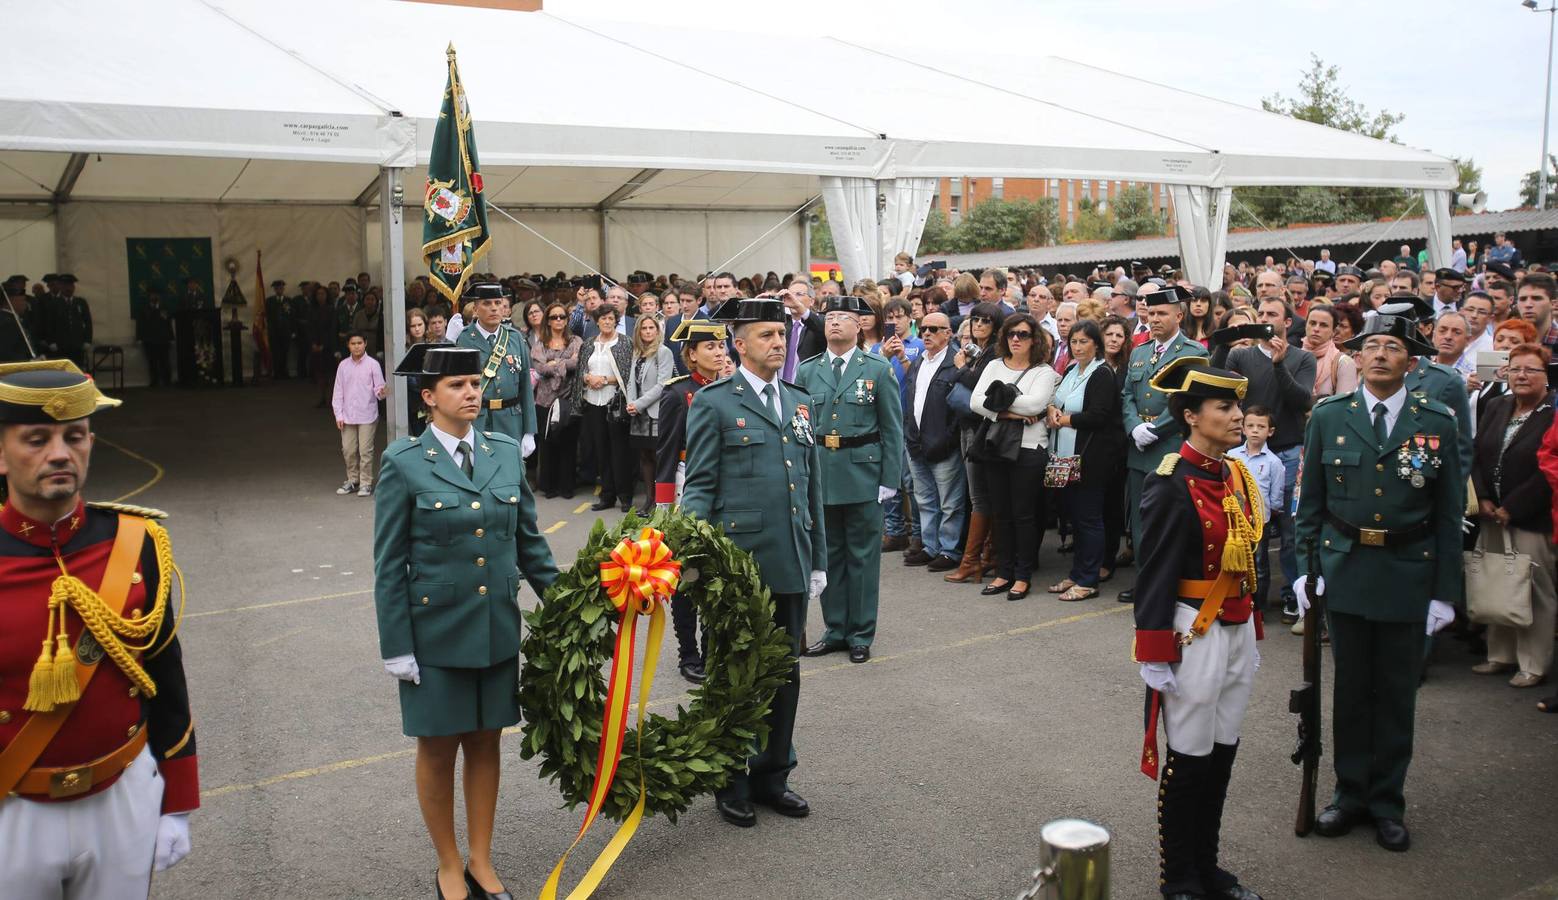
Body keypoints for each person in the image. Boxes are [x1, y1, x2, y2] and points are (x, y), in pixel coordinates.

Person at [0, 360, 199, 897]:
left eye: (75, 436)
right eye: (36, 439)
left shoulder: (136, 542)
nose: (60, 453)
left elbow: (164, 672)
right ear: (0, 454)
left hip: (121, 796)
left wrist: (176, 800)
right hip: (10, 809)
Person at [375, 344, 559, 900]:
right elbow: (388, 564)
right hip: (434, 634)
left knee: (485, 743)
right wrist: (396, 646)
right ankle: (449, 864)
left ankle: (482, 859)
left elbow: (530, 546)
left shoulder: (504, 453)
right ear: (429, 398)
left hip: (495, 627)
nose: (473, 393)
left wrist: (573, 607)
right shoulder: (404, 463)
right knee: (437, 747)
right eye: (458, 386)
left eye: (476, 383)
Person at [1295, 314, 1463, 853]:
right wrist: (1304, 570)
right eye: (1373, 347)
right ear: (1359, 358)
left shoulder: (1436, 418)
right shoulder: (1329, 416)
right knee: (1349, 691)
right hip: (1345, 568)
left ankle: (1387, 801)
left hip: (1408, 573)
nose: (1382, 355)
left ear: (1410, 362)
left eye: (1393, 347)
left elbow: (1447, 512)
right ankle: (1349, 794)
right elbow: (1311, 505)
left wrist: (1445, 591)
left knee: (1395, 695)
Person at [679, 297, 826, 829]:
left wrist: (818, 560)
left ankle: (773, 775)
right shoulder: (715, 402)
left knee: (784, 674)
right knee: (733, 673)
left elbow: (810, 487)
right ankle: (731, 779)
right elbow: (699, 486)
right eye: (766, 335)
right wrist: (695, 557)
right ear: (738, 345)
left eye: (781, 334)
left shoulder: (799, 400)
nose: (778, 343)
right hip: (736, 564)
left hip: (790, 556)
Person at [1130, 356, 1264, 900]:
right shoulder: (1170, 482)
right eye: (1225, 407)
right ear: (1190, 416)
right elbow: (1154, 572)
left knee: (1222, 753)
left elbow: (1251, 558)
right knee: (1189, 758)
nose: (1238, 416)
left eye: (1237, 406)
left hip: (1234, 626)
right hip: (1193, 630)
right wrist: (1155, 650)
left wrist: (1253, 622)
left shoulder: (1236, 474)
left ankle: (1209, 868)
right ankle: (1179, 877)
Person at [798, 296, 904, 664]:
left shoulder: (876, 368)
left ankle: (860, 633)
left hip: (863, 474)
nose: (835, 323)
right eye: (830, 317)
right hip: (822, 475)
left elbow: (893, 428)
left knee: (862, 558)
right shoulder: (808, 371)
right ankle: (835, 629)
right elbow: (799, 431)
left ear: (860, 326)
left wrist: (890, 478)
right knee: (829, 557)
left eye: (844, 317)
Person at [1213, 297, 1316, 620]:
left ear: (1287, 322)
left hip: (1287, 452)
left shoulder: (1302, 357)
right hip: (1243, 454)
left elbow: (1301, 400)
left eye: (1273, 315)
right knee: (1240, 527)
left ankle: (1289, 595)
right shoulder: (1240, 355)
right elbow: (1217, 380)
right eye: (1261, 314)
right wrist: (1223, 343)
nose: (1265, 319)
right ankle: (1246, 593)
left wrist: (1278, 363)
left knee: (1288, 531)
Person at [1118, 286, 1208, 605]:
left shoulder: (1193, 352)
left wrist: (1155, 428)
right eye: (1151, 313)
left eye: (1161, 314)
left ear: (1179, 316)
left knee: (1170, 521)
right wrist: (1133, 427)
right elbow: (1127, 394)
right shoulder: (1141, 351)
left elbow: (1187, 400)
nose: (1154, 319)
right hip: (1139, 449)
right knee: (1141, 523)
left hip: (1169, 447)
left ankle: (1172, 584)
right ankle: (1146, 581)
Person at [654, 320, 730, 683]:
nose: (718, 353)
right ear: (691, 355)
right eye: (710, 348)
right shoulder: (677, 393)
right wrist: (664, 508)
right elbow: (666, 453)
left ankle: (714, 645)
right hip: (688, 484)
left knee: (718, 570)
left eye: (721, 347)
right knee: (687, 573)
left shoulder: (732, 387)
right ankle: (689, 651)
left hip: (726, 486)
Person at [1475, 345, 1555, 688]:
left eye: (1531, 370)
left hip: (1531, 518)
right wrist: (1482, 498)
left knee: (1535, 591)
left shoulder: (1552, 412)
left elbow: (1548, 471)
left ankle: (1533, 663)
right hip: (1491, 513)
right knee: (1497, 582)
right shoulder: (1497, 405)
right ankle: (1500, 654)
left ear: (1546, 376)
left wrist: (1515, 507)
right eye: (1515, 368)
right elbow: (1477, 453)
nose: (1522, 375)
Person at [970, 313, 1059, 602]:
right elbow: (975, 402)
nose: (1016, 339)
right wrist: (1010, 412)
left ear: (1034, 339)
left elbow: (1037, 403)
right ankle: (1003, 572)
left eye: (1023, 334)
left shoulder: (1043, 371)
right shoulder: (995, 365)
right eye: (1011, 334)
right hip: (996, 449)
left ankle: (1022, 576)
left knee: (1023, 515)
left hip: (1029, 451)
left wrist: (995, 405)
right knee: (1001, 514)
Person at [1045, 318, 1121, 601]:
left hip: (1090, 458)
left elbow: (1099, 416)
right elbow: (1058, 398)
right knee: (1075, 517)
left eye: (1084, 342)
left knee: (1089, 518)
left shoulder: (1102, 374)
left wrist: (1063, 419)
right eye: (1073, 342)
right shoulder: (1070, 369)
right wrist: (1053, 409)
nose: (1077, 347)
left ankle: (1089, 579)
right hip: (1064, 456)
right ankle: (1077, 573)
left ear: (1096, 344)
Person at [944, 302, 1008, 581]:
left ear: (995, 327)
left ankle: (975, 561)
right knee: (979, 495)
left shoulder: (994, 352)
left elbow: (976, 383)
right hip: (969, 426)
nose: (979, 325)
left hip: (981, 429)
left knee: (980, 496)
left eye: (986, 321)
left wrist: (959, 368)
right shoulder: (980, 351)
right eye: (975, 320)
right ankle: (984, 557)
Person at [903, 312, 967, 573]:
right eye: (923, 329)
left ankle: (949, 550)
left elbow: (959, 409)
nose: (926, 333)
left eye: (933, 329)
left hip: (943, 445)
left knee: (950, 503)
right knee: (925, 500)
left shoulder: (955, 362)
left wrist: (948, 440)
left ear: (948, 333)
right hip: (916, 443)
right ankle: (930, 547)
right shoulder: (920, 360)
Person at [455, 282, 538, 464]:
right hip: (477, 420)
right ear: (476, 309)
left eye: (497, 303)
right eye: (486, 303)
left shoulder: (515, 338)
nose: (493, 308)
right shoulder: (464, 339)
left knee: (510, 475)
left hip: (511, 420)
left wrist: (530, 430)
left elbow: (525, 385)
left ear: (504, 308)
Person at [573, 305, 634, 513]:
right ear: (596, 321)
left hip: (614, 403)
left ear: (615, 321)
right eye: (603, 318)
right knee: (601, 451)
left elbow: (627, 375)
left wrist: (605, 380)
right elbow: (581, 371)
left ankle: (625, 496)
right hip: (593, 403)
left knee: (620, 452)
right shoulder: (589, 344)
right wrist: (588, 378)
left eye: (610, 318)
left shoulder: (624, 342)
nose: (607, 322)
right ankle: (607, 495)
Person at [1227, 406, 1284, 610]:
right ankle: (1235, 603)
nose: (1255, 430)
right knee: (1234, 562)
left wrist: (1267, 514)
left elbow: (1276, 498)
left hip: (1260, 523)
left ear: (1270, 431)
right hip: (1234, 521)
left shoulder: (1274, 462)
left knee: (1259, 565)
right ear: (1242, 428)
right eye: (1250, 425)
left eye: (1261, 426)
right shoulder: (1231, 456)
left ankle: (1257, 609)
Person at [625, 315, 675, 516]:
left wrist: (638, 404)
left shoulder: (664, 352)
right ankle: (649, 499)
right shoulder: (637, 352)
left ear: (657, 330)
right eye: (643, 328)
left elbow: (663, 384)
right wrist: (631, 403)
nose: (647, 331)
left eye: (651, 328)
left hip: (655, 412)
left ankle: (660, 502)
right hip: (638, 413)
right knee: (644, 457)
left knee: (657, 456)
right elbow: (630, 380)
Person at [532, 302, 582, 500]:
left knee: (568, 443)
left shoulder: (576, 340)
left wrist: (554, 363)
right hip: (544, 400)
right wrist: (565, 364)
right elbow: (540, 369)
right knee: (547, 443)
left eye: (562, 316)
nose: (558, 320)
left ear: (567, 319)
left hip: (568, 398)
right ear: (548, 321)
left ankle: (567, 486)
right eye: (554, 317)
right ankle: (549, 485)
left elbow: (578, 363)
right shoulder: (540, 343)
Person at [331, 332, 386, 497]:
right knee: (348, 450)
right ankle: (352, 480)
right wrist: (338, 414)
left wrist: (384, 392)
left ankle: (366, 482)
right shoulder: (343, 366)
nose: (356, 346)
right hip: (347, 415)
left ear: (365, 343)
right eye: (353, 343)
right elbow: (338, 391)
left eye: (359, 343)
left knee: (365, 451)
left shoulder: (373, 364)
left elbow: (380, 389)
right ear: (348, 345)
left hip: (367, 414)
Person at [1302, 304, 1358, 400]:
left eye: (1323, 325)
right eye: (1312, 323)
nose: (1316, 329)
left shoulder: (1344, 363)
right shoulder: (1293, 355)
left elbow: (1343, 405)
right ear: (1305, 325)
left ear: (1333, 331)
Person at [136, 291, 175, 387]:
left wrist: (171, 337)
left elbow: (168, 324)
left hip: (163, 339)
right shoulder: (145, 309)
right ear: (149, 297)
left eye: (156, 294)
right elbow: (140, 324)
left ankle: (167, 381)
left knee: (165, 361)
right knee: (152, 361)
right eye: (152, 295)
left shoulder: (164, 308)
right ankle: (154, 381)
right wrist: (139, 337)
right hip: (150, 339)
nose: (154, 296)